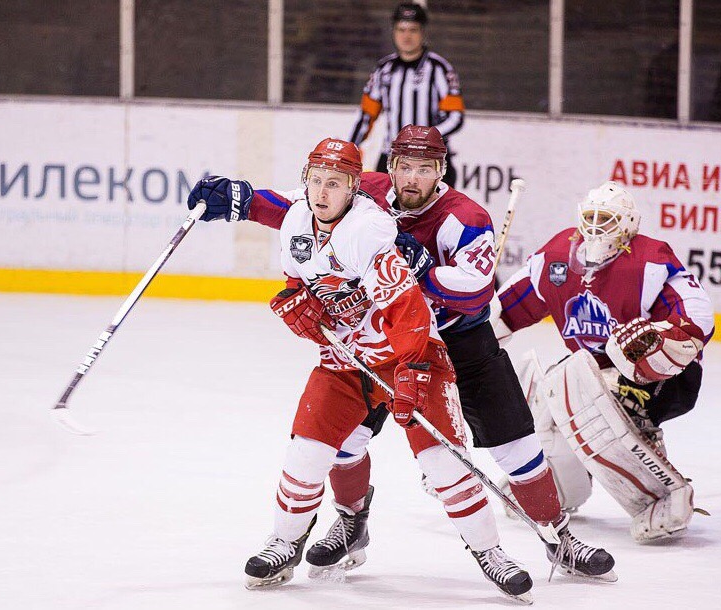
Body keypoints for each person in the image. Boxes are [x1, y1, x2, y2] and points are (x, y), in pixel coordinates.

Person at [191, 125, 617, 584]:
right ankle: (352, 524)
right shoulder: (364, 191)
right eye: (405, 167)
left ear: (441, 171)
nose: (412, 178)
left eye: (425, 169)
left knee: (516, 447)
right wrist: (242, 199)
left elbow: (476, 293)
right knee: (342, 443)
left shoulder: (465, 218)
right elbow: (300, 204)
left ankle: (559, 538)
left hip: (458, 341)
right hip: (380, 343)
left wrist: (426, 271)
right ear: (389, 167)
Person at [494, 181, 715, 542]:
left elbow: (697, 314)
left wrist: (661, 336)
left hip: (661, 377)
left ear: (628, 224)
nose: (598, 226)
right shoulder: (556, 258)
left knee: (597, 403)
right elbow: (510, 307)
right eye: (592, 217)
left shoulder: (650, 261)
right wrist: (478, 325)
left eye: (608, 218)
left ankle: (665, 496)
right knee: (550, 399)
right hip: (592, 374)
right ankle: (560, 489)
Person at [349, 2, 463, 187]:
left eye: (413, 30)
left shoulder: (439, 69)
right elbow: (366, 116)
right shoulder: (384, 69)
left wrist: (424, 139)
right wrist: (351, 149)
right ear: (393, 32)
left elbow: (456, 117)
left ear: (423, 32)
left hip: (431, 159)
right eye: (401, 30)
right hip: (391, 158)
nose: (406, 36)